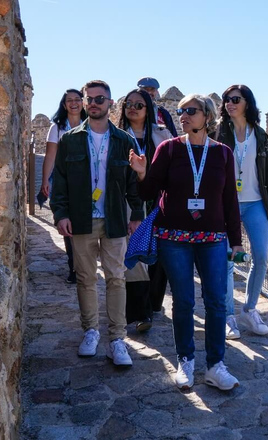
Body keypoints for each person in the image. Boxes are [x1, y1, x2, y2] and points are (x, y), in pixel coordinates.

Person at [129, 94, 243, 390]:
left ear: (207, 116)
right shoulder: (168, 149)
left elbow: (229, 199)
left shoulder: (223, 154)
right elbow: (148, 193)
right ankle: (186, 361)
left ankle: (216, 365)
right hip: (173, 238)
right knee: (184, 301)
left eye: (190, 111)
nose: (183, 115)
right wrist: (142, 174)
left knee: (217, 301)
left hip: (213, 238)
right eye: (180, 111)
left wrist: (236, 241)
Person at [50, 80, 144, 367]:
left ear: (110, 103)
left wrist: (137, 215)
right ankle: (90, 331)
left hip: (115, 219)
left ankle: (117, 339)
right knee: (85, 278)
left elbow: (133, 184)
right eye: (89, 98)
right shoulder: (71, 140)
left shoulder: (124, 141)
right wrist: (60, 214)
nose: (93, 103)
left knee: (116, 278)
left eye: (99, 99)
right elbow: (60, 181)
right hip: (81, 220)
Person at [215, 84, 268, 339]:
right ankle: (228, 316)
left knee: (262, 257)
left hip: (255, 202)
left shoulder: (259, 134)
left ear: (247, 103)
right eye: (226, 100)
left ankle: (249, 309)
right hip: (226, 203)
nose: (229, 103)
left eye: (235, 99)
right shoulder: (220, 132)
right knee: (227, 261)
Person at [118, 88, 172, 333]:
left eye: (139, 105)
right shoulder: (117, 136)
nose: (133, 108)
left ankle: (154, 303)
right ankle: (141, 312)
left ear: (148, 109)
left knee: (159, 255)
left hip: (158, 202)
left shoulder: (162, 135)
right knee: (135, 256)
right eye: (129, 103)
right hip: (129, 203)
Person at [40, 89, 87, 284]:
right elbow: (50, 155)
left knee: (85, 222)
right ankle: (74, 266)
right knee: (67, 223)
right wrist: (44, 181)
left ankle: (85, 263)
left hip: (87, 182)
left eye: (77, 99)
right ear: (64, 104)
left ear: (83, 103)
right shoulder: (57, 127)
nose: (74, 103)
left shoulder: (91, 124)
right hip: (63, 181)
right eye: (70, 100)